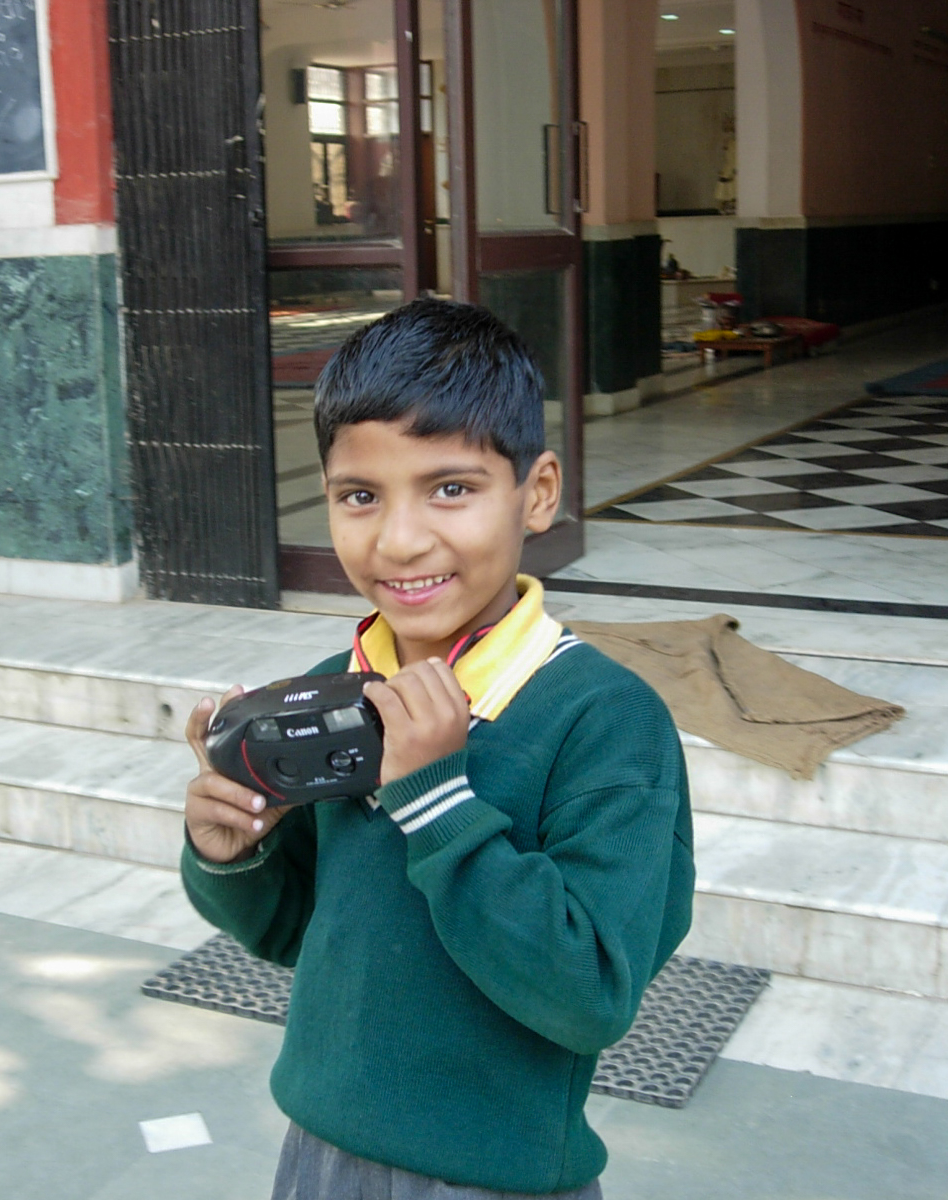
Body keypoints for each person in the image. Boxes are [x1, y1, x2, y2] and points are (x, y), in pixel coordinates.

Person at [181, 298, 694, 1200]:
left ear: (537, 492)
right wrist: (234, 854)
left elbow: (590, 994)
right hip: (320, 1154)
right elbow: (300, 933)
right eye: (360, 496)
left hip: (492, 1178)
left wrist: (436, 801)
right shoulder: (334, 690)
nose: (400, 539)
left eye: (451, 488)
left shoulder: (603, 720)